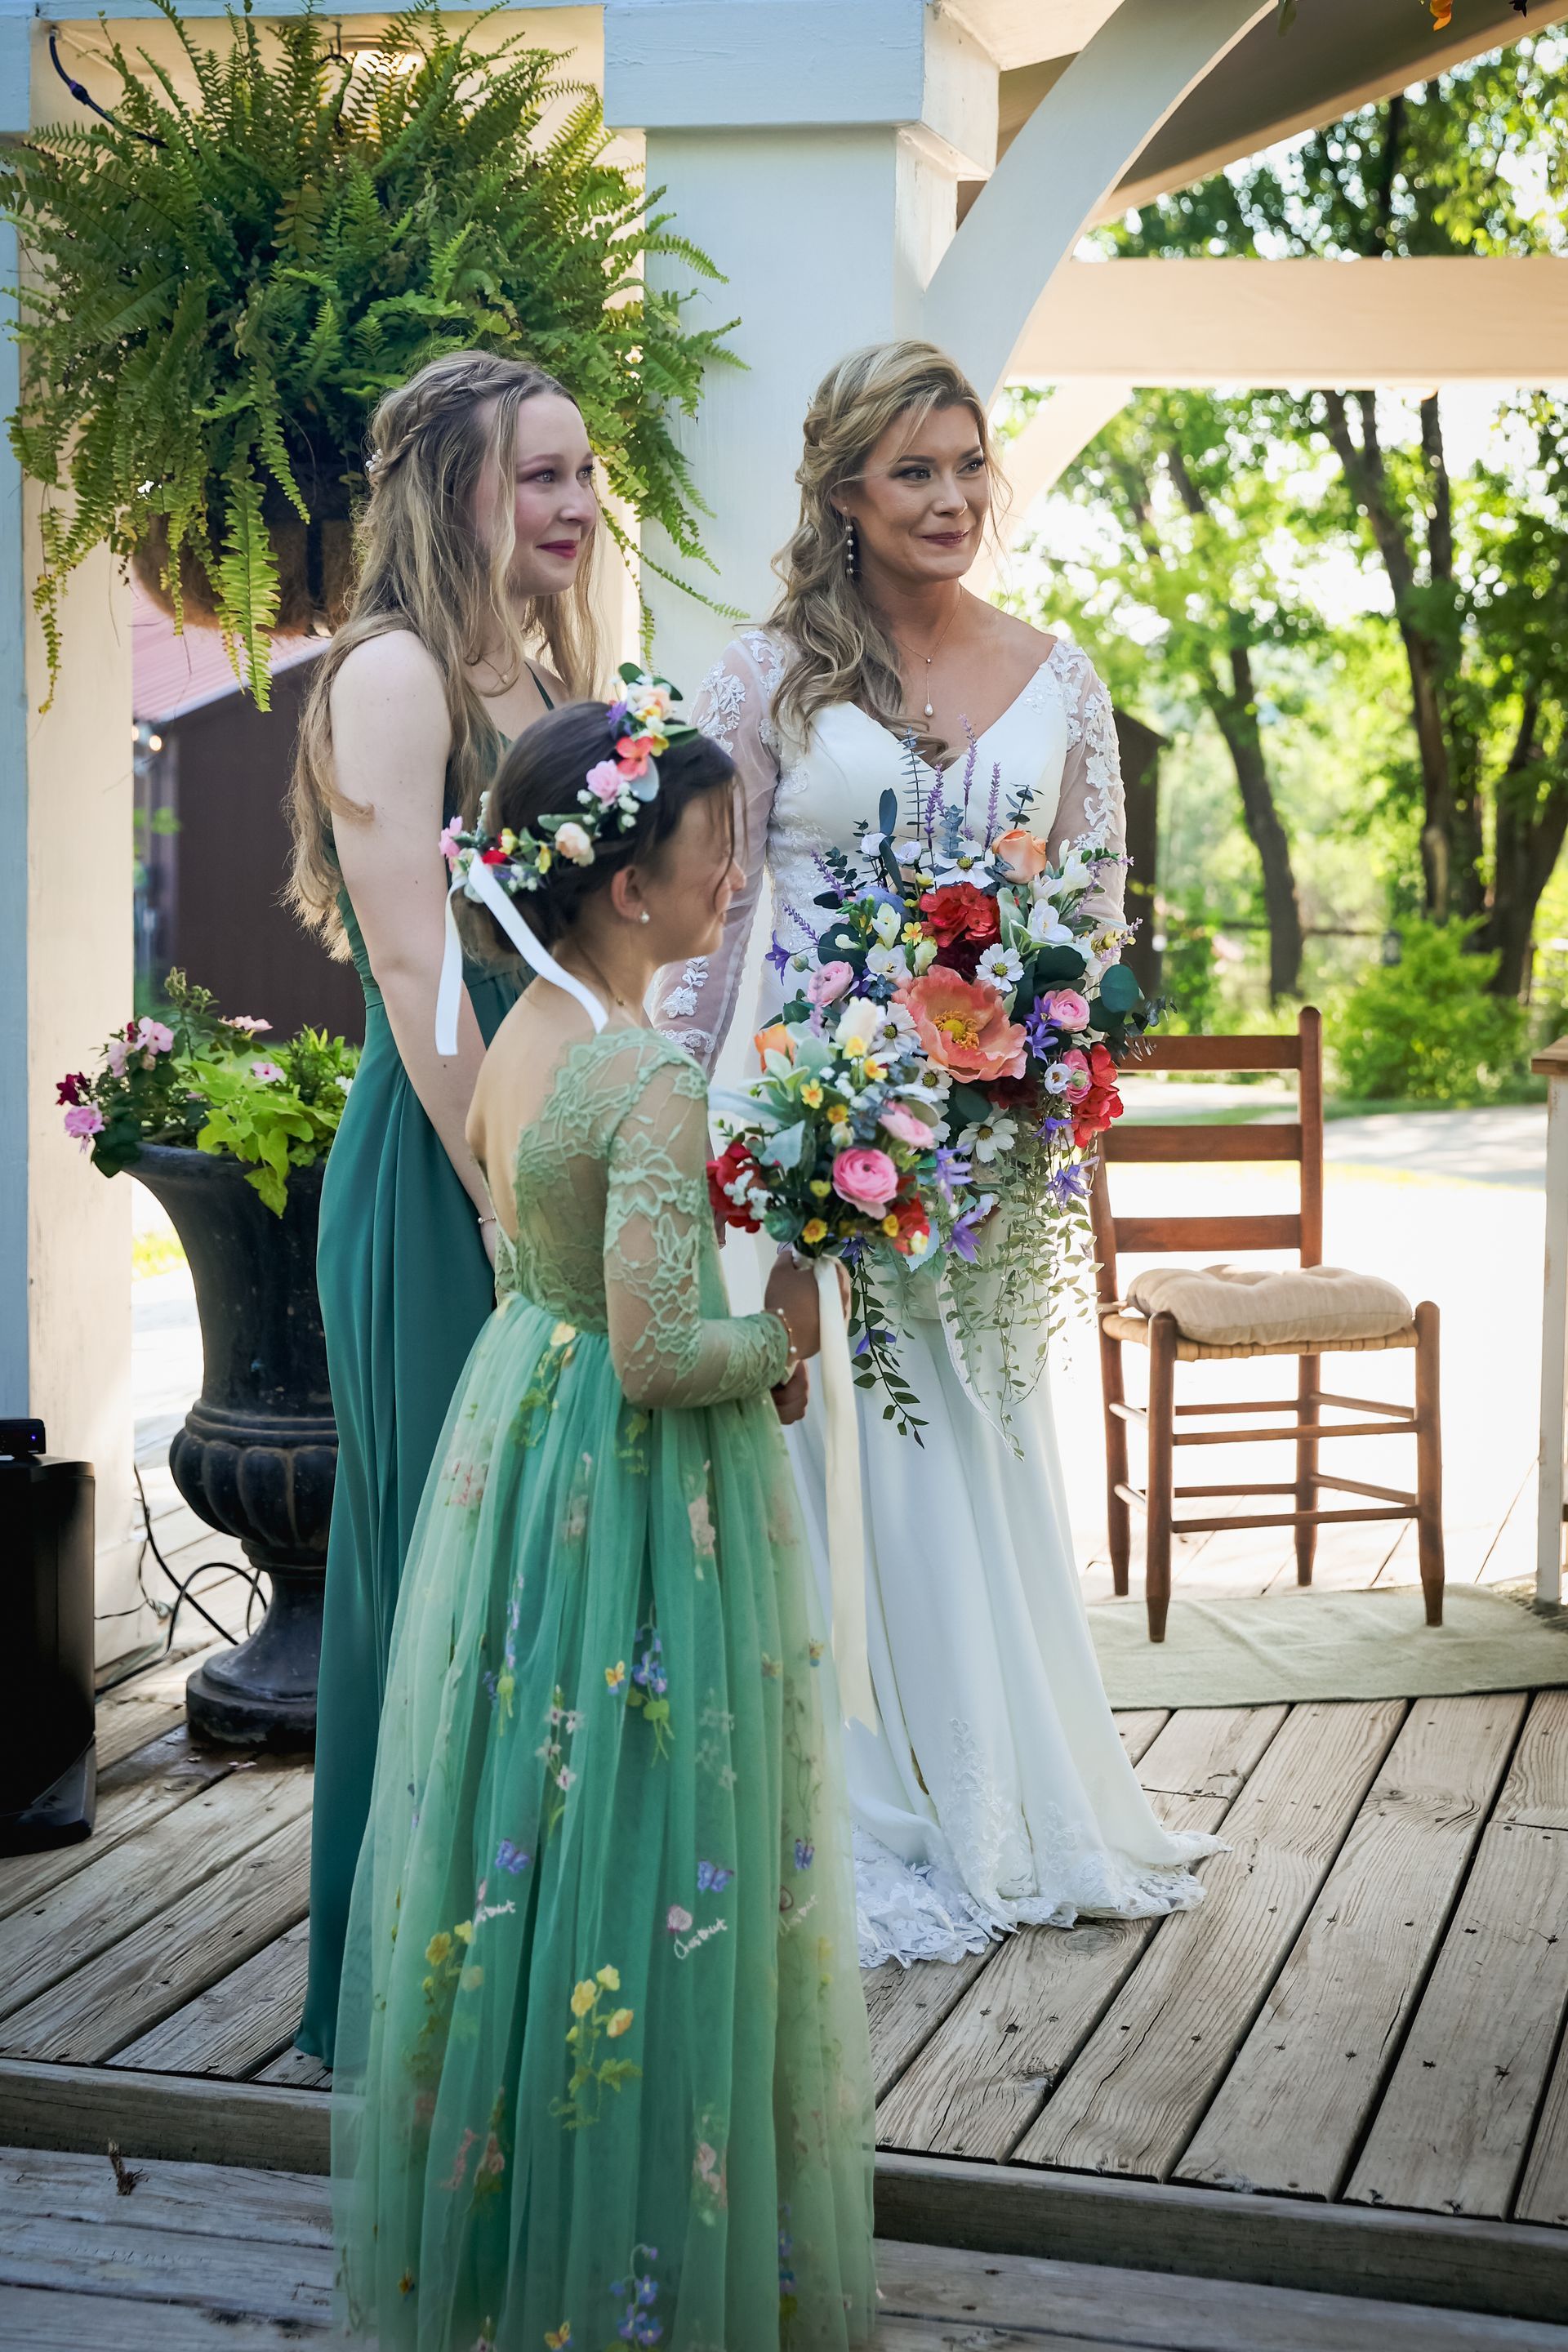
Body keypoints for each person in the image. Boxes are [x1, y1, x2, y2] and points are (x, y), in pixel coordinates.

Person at [653, 339, 1221, 1969]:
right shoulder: (765, 681)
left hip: (982, 1143)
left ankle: (992, 1785)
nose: (952, 498)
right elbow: (711, 922)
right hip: (802, 1127)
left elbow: (1096, 920)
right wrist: (675, 1124)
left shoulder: (1059, 675)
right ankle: (852, 1789)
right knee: (830, 1443)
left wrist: (1039, 1071)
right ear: (845, 491)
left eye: (969, 465)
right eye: (914, 472)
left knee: (968, 1444)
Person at [332, 691, 875, 2351]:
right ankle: (654, 2249)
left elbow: (545, 1276)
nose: (734, 885)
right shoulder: (639, 1069)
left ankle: (511, 2241)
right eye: (716, 854)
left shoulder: (523, 1036)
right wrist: (782, 1337)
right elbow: (655, 1356)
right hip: (635, 1489)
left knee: (537, 1820)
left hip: (523, 1449)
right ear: (627, 883)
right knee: (654, 1820)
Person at [287, 350, 603, 2062]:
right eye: (535, 475)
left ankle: (537, 1968)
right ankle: (407, 2006)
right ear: (451, 485)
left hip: (537, 1146)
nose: (570, 506)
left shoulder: (537, 666)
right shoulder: (397, 675)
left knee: (542, 1564)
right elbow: (417, 963)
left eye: (579, 475)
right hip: (442, 1166)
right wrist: (504, 1186)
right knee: (441, 1565)